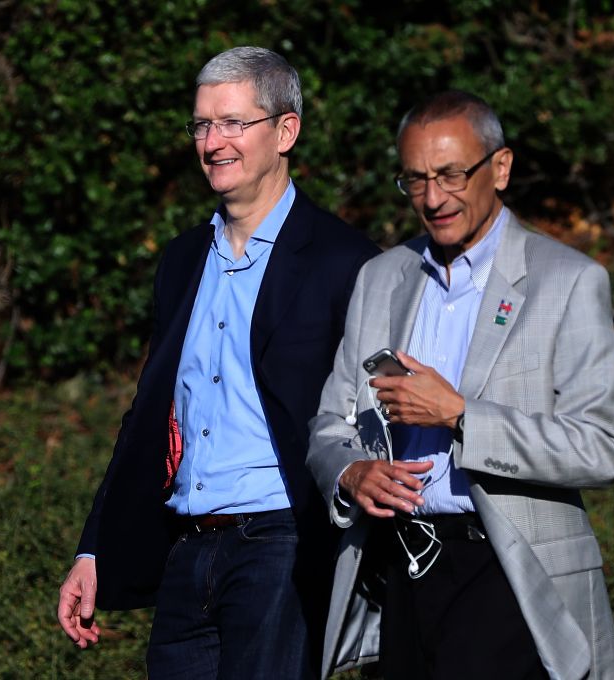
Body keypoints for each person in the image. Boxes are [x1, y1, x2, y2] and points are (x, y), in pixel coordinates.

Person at [56, 46, 379, 679]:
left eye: (233, 122)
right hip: (188, 547)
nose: (213, 142)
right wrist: (94, 547)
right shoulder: (181, 261)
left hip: (283, 544)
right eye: (202, 124)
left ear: (286, 131)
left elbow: (372, 415)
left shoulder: (346, 261)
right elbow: (149, 413)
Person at [307, 90, 614, 680]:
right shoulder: (380, 279)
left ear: (499, 168)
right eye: (415, 180)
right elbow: (331, 423)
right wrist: (352, 472)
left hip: (511, 575)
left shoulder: (569, 281)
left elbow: (603, 445)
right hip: (401, 569)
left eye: (451, 175)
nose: (434, 198)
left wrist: (461, 416)